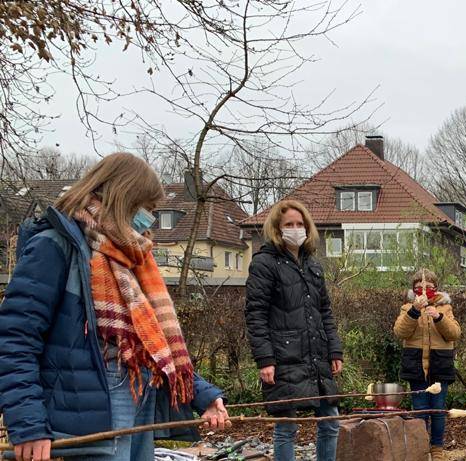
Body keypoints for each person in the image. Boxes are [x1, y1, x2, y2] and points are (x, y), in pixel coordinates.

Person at [0, 153, 230, 461]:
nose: (149, 218)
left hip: (139, 399)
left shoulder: (133, 258)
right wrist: (28, 425)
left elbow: (155, 345)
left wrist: (204, 395)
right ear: (124, 196)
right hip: (85, 417)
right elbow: (15, 340)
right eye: (147, 207)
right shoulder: (55, 246)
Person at [244, 200, 344, 461]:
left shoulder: (313, 265)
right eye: (289, 224)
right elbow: (256, 315)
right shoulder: (264, 264)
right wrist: (265, 359)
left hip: (317, 355)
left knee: (330, 421)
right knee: (286, 426)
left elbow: (325, 312)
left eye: (300, 224)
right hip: (283, 357)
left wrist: (334, 349)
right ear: (278, 228)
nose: (296, 229)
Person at [393, 269, 462, 461]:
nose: (423, 291)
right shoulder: (407, 308)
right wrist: (415, 311)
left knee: (438, 410)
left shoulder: (445, 308)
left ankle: (437, 449)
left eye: (428, 288)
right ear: (413, 290)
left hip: (440, 365)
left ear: (436, 288)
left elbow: (454, 334)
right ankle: (421, 448)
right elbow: (400, 332)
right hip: (416, 366)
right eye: (418, 288)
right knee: (420, 410)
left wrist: (439, 318)